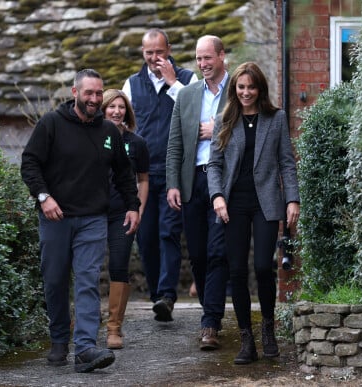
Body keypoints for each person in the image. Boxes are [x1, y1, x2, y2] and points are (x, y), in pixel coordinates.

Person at [21, 69, 140, 373]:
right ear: (75, 93)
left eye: (99, 93)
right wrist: (44, 197)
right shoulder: (52, 124)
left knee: (87, 281)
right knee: (55, 281)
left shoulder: (109, 132)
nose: (95, 99)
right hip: (56, 218)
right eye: (89, 93)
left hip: (93, 219)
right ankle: (59, 339)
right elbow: (30, 162)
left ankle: (86, 348)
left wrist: (132, 206)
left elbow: (125, 174)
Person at [206, 62, 300, 365]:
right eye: (241, 87)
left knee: (262, 267)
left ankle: (268, 330)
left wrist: (292, 200)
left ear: (260, 88)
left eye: (251, 87)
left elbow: (287, 161)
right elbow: (215, 165)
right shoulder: (225, 120)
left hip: (266, 203)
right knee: (236, 271)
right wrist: (217, 196)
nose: (246, 92)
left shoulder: (276, 118)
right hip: (233, 204)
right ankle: (247, 338)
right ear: (235, 89)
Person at [122, 28, 198, 322]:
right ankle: (157, 296)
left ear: (169, 50)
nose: (154, 58)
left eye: (159, 52)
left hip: (173, 172)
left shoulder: (188, 80)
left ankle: (167, 295)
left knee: (169, 232)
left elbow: (195, 112)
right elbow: (122, 123)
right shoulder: (131, 84)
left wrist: (172, 83)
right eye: (149, 53)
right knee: (146, 237)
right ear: (143, 53)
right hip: (141, 175)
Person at [166, 35, 229, 350]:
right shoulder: (188, 95)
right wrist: (173, 183)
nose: (203, 64)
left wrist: (215, 128)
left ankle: (211, 323)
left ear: (221, 56)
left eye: (208, 58)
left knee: (219, 252)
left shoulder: (238, 90)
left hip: (224, 183)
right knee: (200, 256)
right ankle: (210, 310)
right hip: (192, 183)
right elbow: (175, 142)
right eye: (198, 59)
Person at [101, 89, 150, 349]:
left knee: (119, 266)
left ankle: (114, 329)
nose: (117, 111)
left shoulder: (137, 143)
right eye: (111, 107)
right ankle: (81, 322)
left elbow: (143, 179)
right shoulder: (92, 138)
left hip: (123, 213)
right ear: (103, 109)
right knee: (85, 266)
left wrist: (138, 210)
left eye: (121, 107)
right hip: (93, 211)